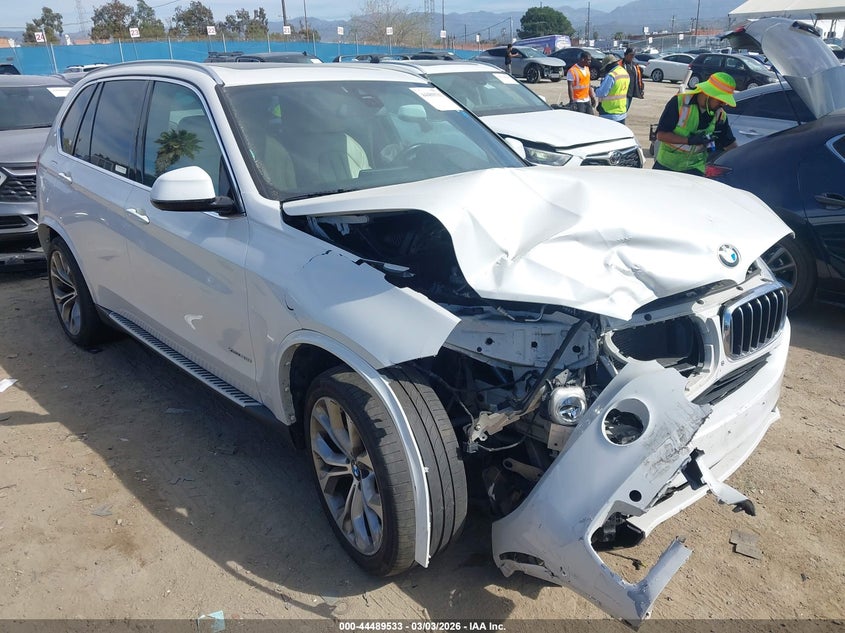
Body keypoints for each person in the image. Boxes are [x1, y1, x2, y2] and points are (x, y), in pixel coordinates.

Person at [653, 71, 739, 176]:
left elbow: (729, 144)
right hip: (666, 166)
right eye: (720, 100)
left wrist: (741, 160)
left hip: (695, 170)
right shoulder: (679, 102)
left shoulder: (720, 115)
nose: (724, 104)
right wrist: (689, 141)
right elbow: (661, 135)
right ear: (708, 94)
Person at [595, 55, 630, 124]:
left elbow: (602, 93)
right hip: (621, 111)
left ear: (609, 65)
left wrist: (595, 89)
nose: (605, 70)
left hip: (609, 113)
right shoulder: (624, 72)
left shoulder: (612, 75)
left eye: (605, 68)